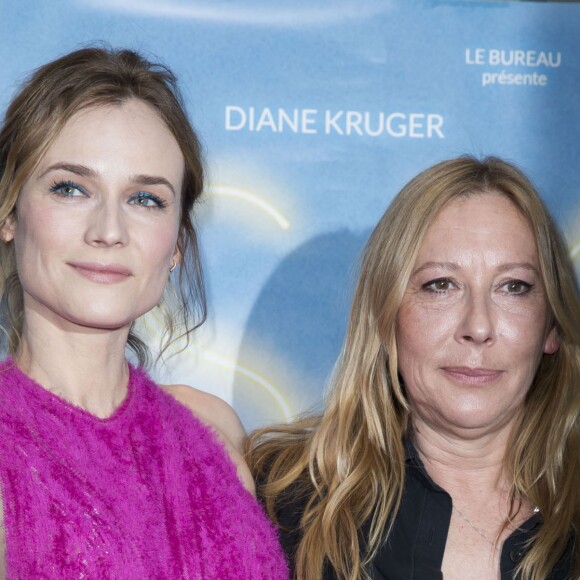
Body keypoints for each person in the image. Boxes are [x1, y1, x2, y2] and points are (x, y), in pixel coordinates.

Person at [0, 46, 288, 578]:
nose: (108, 230)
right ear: (9, 212)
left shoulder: (214, 430)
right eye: (71, 188)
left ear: (177, 242)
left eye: (145, 199)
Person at [248, 156, 579, 580]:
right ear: (387, 318)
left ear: (550, 325)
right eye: (440, 285)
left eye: (513, 287)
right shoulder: (280, 506)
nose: (478, 326)